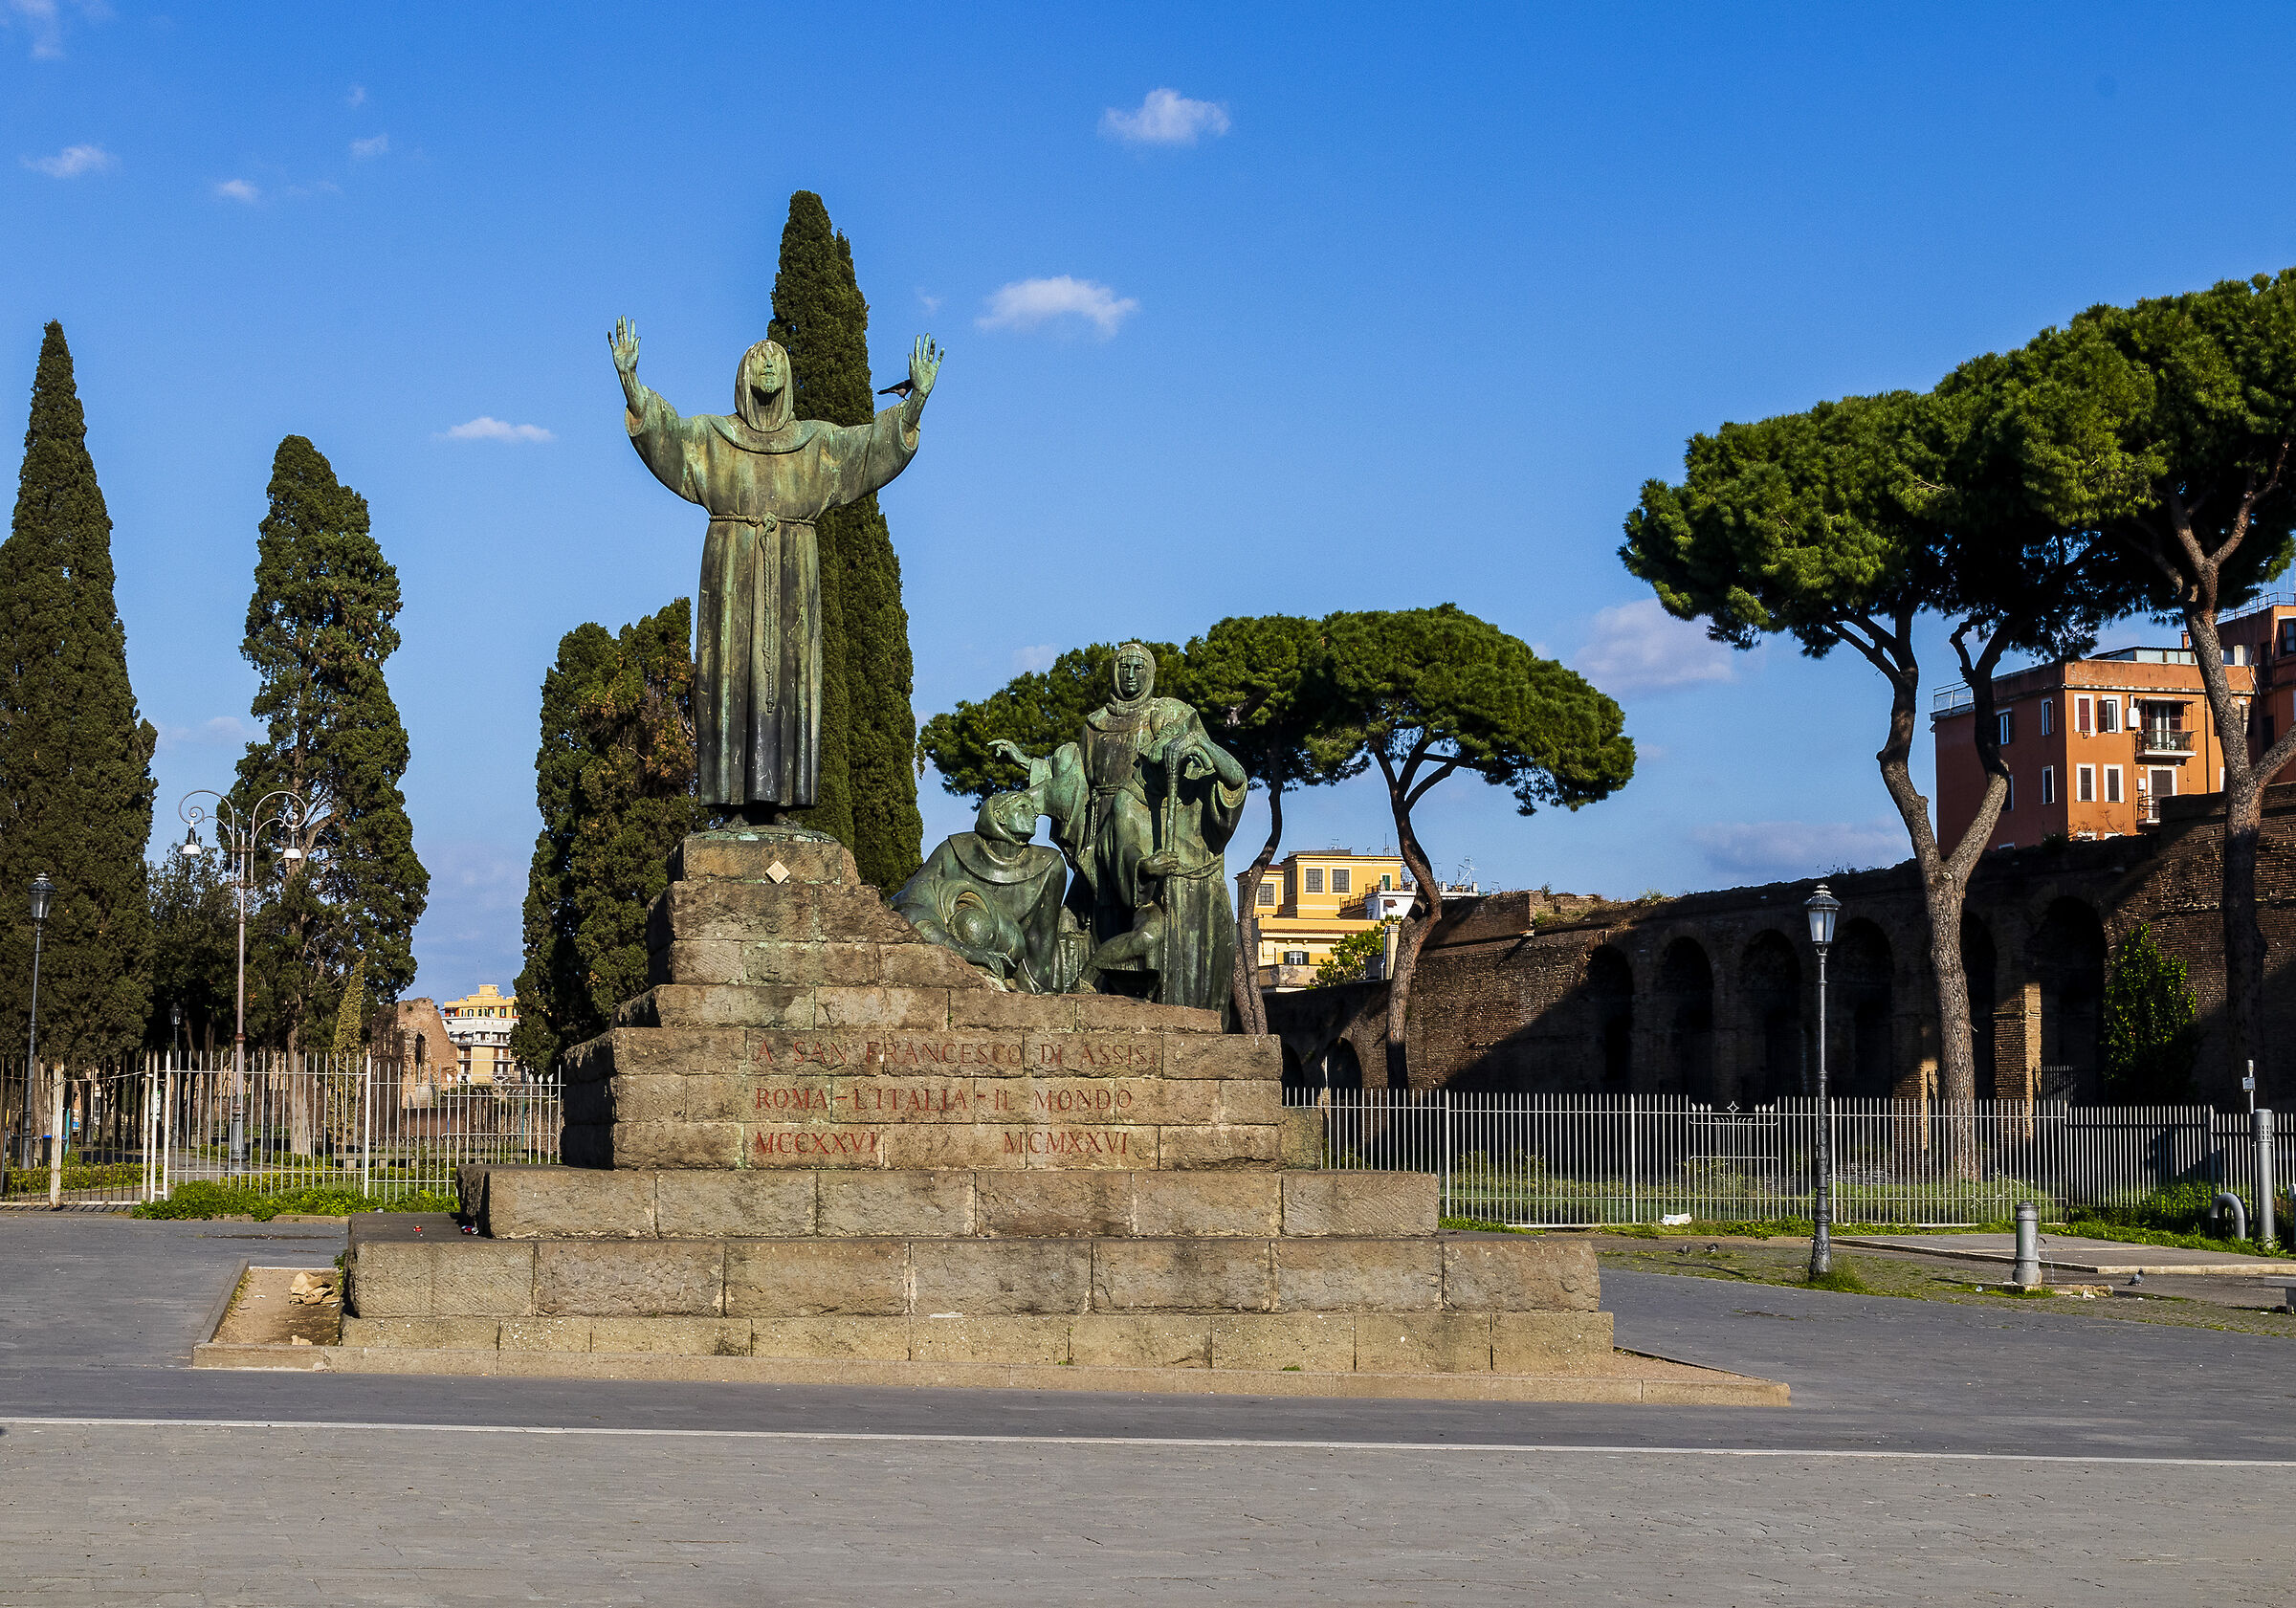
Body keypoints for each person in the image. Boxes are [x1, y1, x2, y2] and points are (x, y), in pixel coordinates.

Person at [612, 319, 941, 824]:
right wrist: (632, 382)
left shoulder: (818, 444)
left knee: (789, 682)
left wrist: (915, 401)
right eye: (758, 358)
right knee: (731, 679)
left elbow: (873, 447)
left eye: (778, 359)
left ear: (787, 378)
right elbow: (666, 435)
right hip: (730, 573)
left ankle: (780, 804)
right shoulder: (712, 437)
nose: (768, 364)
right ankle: (734, 807)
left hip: (794, 581)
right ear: (744, 375)